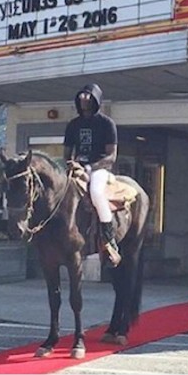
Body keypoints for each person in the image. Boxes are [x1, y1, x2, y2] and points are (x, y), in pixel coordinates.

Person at [63, 83, 121, 266]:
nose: (84, 100)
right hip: (77, 167)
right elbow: (67, 152)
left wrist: (90, 168)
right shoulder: (73, 125)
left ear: (96, 99)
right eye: (81, 96)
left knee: (96, 192)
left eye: (88, 96)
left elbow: (111, 156)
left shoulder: (106, 124)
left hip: (99, 168)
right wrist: (70, 165)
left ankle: (109, 238)